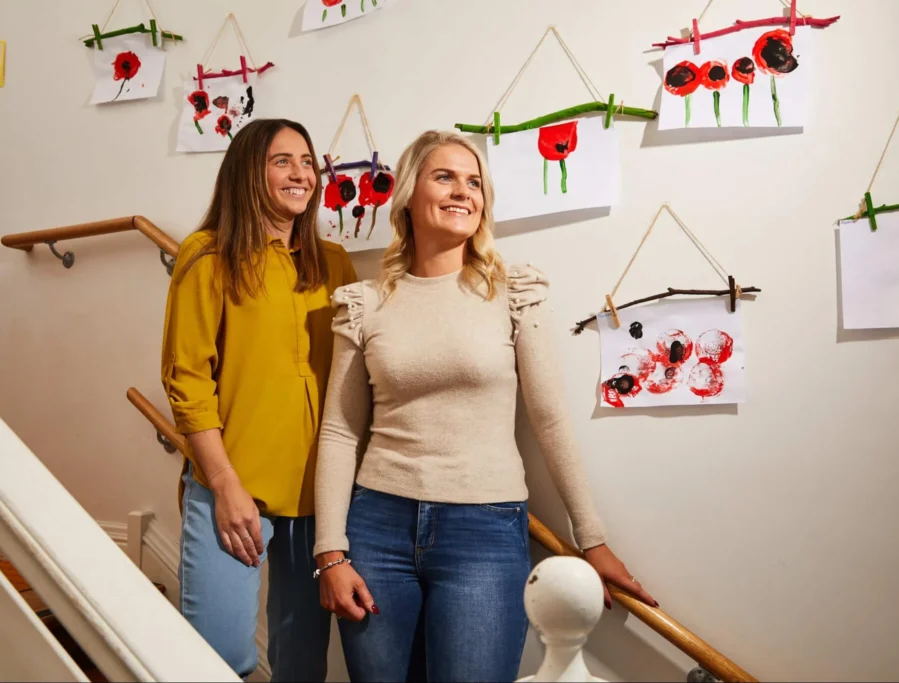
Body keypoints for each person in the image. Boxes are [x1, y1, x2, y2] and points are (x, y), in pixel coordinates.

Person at [313, 130, 658, 682]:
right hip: (377, 528)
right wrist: (330, 552)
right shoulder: (366, 303)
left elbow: (549, 419)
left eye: (474, 182)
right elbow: (339, 430)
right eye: (444, 177)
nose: (463, 191)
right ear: (409, 194)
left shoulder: (513, 292)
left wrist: (591, 538)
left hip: (484, 530)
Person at [160, 118, 358, 681]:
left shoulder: (334, 262)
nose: (301, 174)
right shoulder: (208, 255)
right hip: (231, 487)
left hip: (318, 498)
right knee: (219, 658)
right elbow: (187, 379)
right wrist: (224, 483)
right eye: (282, 161)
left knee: (302, 664)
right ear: (250, 171)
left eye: (307, 161)